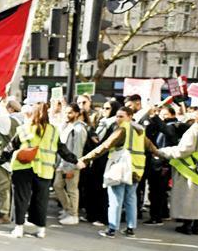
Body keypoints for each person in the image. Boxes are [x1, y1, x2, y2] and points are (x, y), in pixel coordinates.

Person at [0, 102, 77, 238]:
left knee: (21, 198)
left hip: (23, 168)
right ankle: (41, 230)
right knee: (41, 199)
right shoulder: (53, 131)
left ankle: (19, 228)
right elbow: (62, 150)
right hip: (45, 170)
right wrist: (75, 161)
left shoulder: (24, 128)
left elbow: (10, 147)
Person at [155, 107, 198, 235]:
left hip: (192, 169)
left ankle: (187, 226)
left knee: (191, 198)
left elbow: (182, 151)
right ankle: (197, 227)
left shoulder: (194, 130)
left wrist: (164, 151)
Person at [79, 106, 147, 238]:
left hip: (121, 169)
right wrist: (163, 154)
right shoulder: (140, 130)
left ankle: (111, 229)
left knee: (116, 199)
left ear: (130, 116)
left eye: (121, 116)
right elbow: (150, 147)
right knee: (131, 199)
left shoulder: (122, 130)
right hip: (136, 169)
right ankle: (130, 229)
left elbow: (105, 146)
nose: (118, 119)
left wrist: (85, 159)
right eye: (117, 116)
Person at [84, 100, 120, 226]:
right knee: (94, 188)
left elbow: (105, 143)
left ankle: (102, 217)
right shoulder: (102, 123)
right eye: (103, 107)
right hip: (98, 161)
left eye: (108, 108)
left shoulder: (115, 125)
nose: (104, 110)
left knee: (103, 190)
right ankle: (93, 214)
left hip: (107, 161)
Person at [54, 104, 88, 225]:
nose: (67, 115)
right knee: (57, 186)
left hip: (71, 165)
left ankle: (73, 214)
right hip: (62, 163)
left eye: (70, 113)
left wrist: (72, 167)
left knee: (72, 189)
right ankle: (68, 209)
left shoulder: (79, 129)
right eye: (66, 112)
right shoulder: (67, 126)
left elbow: (77, 150)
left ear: (77, 114)